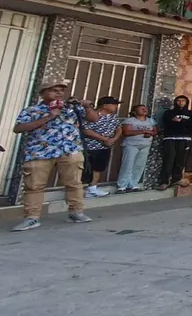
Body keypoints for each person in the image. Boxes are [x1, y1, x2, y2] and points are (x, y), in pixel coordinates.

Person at [11, 78, 99, 231]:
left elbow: (94, 119)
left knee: (74, 183)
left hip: (70, 150)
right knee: (34, 186)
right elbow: (18, 128)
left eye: (61, 90)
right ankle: (32, 217)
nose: (59, 93)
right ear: (43, 93)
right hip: (39, 152)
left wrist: (88, 106)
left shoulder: (71, 109)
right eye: (53, 90)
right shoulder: (32, 110)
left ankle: (76, 212)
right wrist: (49, 116)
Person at [80, 96, 122, 197]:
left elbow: (119, 128)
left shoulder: (113, 117)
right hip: (91, 147)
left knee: (98, 168)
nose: (116, 106)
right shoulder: (92, 115)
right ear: (105, 105)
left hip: (105, 148)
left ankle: (92, 189)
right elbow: (86, 130)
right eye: (114, 104)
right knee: (87, 168)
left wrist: (113, 139)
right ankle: (79, 189)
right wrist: (104, 139)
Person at [159, 95, 192, 190]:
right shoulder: (169, 113)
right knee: (168, 159)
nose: (181, 102)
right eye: (178, 100)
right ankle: (164, 181)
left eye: (183, 100)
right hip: (170, 138)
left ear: (186, 102)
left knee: (181, 160)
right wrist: (183, 122)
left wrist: (179, 122)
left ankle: (176, 179)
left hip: (185, 139)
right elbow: (166, 122)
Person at [117, 104, 157, 193]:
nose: (144, 110)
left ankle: (134, 184)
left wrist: (150, 133)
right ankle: (122, 185)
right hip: (131, 144)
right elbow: (126, 132)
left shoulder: (150, 121)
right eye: (142, 109)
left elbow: (155, 131)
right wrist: (144, 131)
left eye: (145, 108)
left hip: (145, 145)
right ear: (135, 112)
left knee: (139, 165)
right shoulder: (130, 120)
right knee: (128, 164)